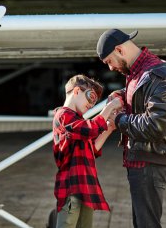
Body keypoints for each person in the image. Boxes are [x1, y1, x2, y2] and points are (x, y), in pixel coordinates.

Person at [96, 29, 166, 228]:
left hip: (150, 160)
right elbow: (143, 98)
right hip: (144, 159)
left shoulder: (158, 76)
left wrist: (119, 119)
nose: (111, 68)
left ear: (119, 49)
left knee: (146, 224)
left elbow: (155, 125)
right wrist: (120, 96)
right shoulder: (139, 73)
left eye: (109, 61)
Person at [52, 74, 123, 228]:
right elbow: (89, 130)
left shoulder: (77, 120)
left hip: (85, 185)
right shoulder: (63, 115)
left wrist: (109, 128)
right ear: (77, 91)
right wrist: (109, 107)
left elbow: (92, 149)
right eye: (90, 97)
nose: (92, 104)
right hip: (71, 185)